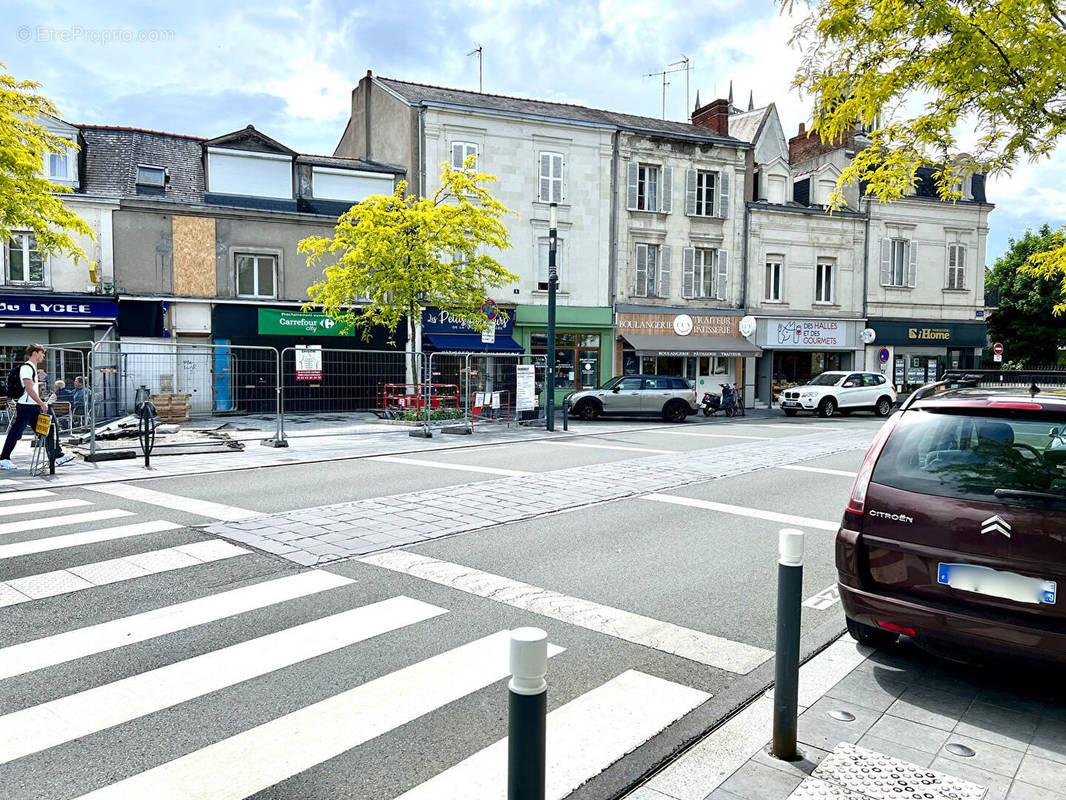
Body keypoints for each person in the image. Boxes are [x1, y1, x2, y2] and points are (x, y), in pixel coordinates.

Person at [0, 345, 74, 469]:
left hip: (32, 407)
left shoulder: (32, 367)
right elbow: (29, 389)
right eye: (42, 353)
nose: (43, 356)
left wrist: (39, 402)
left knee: (44, 431)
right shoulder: (27, 368)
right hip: (26, 407)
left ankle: (57, 455)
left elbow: (31, 389)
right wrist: (41, 403)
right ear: (35, 353)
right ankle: (4, 458)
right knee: (16, 432)